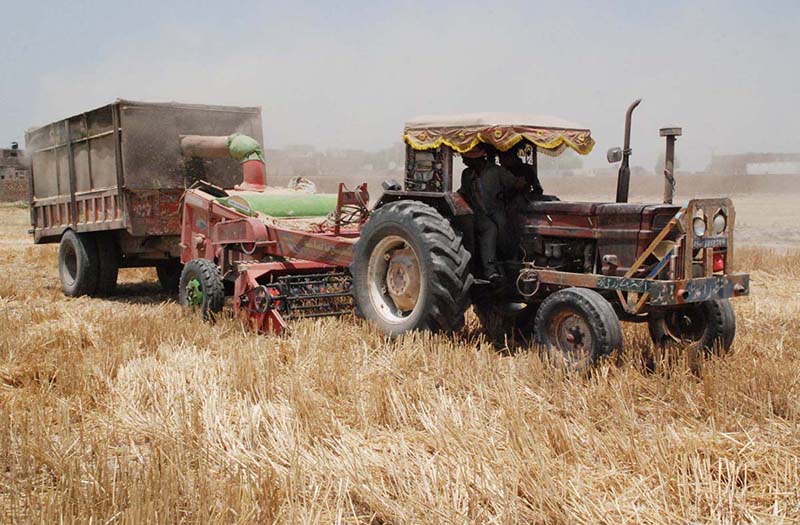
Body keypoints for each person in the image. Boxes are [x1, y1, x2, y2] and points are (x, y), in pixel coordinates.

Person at [458, 145, 525, 282]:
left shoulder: (497, 171)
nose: (464, 162)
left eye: (466, 159)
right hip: (478, 213)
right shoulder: (467, 175)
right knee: (490, 229)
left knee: (505, 229)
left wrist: (522, 183)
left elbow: (514, 184)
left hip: (496, 210)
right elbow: (463, 192)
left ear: (476, 159)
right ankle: (490, 270)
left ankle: (511, 262)